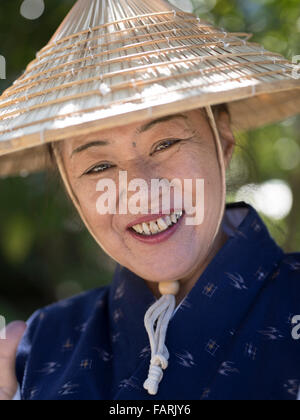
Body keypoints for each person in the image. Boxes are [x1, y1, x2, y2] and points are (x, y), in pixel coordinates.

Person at [0, 0, 299, 400]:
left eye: (166, 143)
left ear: (222, 141)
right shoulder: (41, 347)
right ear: (72, 191)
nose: (140, 186)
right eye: (98, 166)